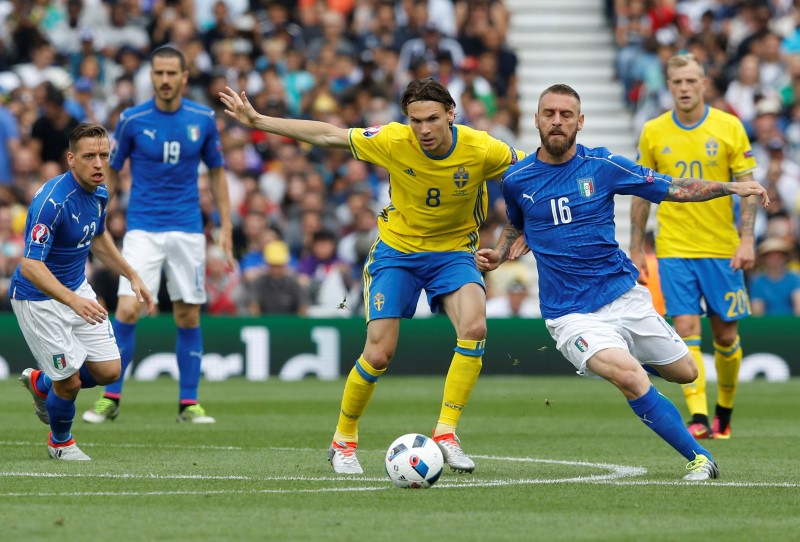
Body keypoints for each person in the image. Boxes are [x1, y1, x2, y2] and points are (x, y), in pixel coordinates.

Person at [220, 78, 523, 474]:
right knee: (379, 352)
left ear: (451, 115)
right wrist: (260, 121)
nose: (424, 129)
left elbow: (531, 179)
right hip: (397, 253)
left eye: (433, 119)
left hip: (453, 253)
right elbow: (328, 135)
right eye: (415, 120)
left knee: (475, 326)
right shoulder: (394, 140)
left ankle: (446, 433)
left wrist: (507, 244)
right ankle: (344, 440)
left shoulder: (483, 147)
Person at [476, 84, 769, 480]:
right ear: (537, 120)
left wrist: (729, 187)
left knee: (687, 372)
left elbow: (672, 187)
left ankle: (633, 354)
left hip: (623, 296)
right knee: (629, 376)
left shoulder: (604, 166)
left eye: (566, 114)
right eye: (549, 113)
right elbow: (516, 222)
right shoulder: (517, 179)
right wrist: (498, 251)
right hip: (570, 314)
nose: (557, 121)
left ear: (580, 122)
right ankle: (700, 458)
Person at [82, 46, 234, 425]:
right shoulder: (132, 119)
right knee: (129, 308)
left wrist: (226, 225)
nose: (164, 80)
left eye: (171, 74)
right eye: (158, 73)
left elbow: (216, 172)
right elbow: (113, 170)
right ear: (151, 77)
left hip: (187, 230)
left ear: (184, 77)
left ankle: (188, 404)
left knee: (187, 316)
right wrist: (97, 212)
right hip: (142, 229)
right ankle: (110, 397)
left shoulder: (203, 118)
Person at [630, 53, 759, 440]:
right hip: (673, 247)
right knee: (684, 326)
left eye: (691, 81)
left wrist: (748, 239)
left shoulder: (729, 126)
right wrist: (637, 246)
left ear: (704, 83)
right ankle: (699, 415)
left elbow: (749, 187)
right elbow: (641, 193)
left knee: (725, 335)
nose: (684, 88)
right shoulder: (654, 131)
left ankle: (724, 410)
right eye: (677, 82)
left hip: (721, 248)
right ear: (668, 86)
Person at [13, 123, 155, 460]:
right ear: (71, 159)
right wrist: (74, 300)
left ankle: (41, 384)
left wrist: (131, 273)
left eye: (104, 156)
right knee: (71, 382)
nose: (98, 164)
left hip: (76, 291)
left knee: (109, 370)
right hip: (39, 299)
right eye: (89, 156)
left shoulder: (100, 192)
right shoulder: (52, 202)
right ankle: (59, 443)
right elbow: (31, 265)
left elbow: (98, 236)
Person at [749, 237, 800, 316]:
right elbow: (757, 312)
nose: (775, 259)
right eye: (771, 256)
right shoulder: (757, 282)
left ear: (785, 258)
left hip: (792, 325)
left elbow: (798, 307)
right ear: (764, 259)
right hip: (767, 326)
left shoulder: (795, 278)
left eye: (779, 256)